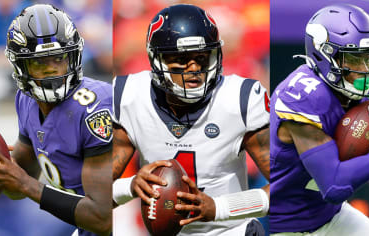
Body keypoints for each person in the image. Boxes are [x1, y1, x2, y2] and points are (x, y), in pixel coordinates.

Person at [111, 4, 270, 236]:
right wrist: (130, 186)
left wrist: (220, 208)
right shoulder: (129, 96)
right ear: (158, 60)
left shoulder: (240, 99)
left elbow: (286, 185)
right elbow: (93, 194)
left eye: (202, 57)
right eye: (182, 59)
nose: (194, 68)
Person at [270, 4, 369, 236]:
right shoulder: (304, 97)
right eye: (353, 58)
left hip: (330, 213)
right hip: (288, 225)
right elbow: (334, 186)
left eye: (368, 58)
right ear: (323, 54)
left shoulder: (359, 86)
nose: (365, 70)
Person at [0, 4, 112, 236]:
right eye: (40, 63)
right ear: (21, 66)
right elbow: (18, 186)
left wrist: (23, 183)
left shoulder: (95, 108)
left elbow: (103, 218)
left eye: (59, 58)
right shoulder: (26, 99)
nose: (52, 70)